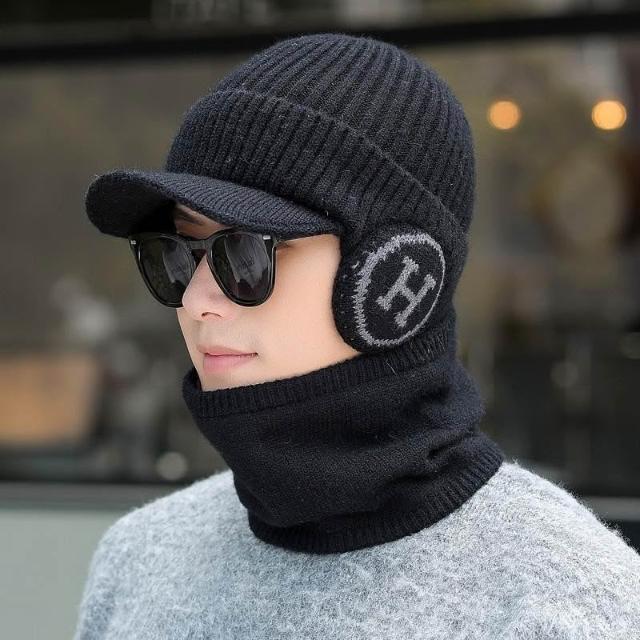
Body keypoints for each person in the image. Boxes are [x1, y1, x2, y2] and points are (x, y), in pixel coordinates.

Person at [73, 32, 640, 639]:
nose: (195, 300)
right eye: (176, 252)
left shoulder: (567, 603)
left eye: (246, 252)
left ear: (396, 274)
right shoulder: (138, 560)